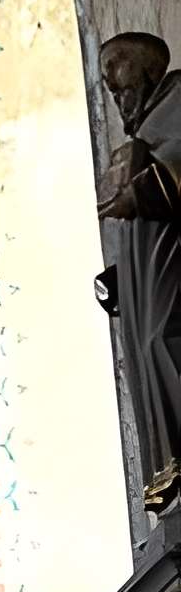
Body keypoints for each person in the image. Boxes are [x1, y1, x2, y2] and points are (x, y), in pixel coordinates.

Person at [96, 31, 181, 513]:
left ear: (150, 68)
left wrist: (141, 192)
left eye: (118, 64)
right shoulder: (141, 137)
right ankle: (168, 478)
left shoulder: (177, 99)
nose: (110, 80)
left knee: (164, 341)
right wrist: (118, 280)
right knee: (143, 357)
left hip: (171, 262)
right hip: (145, 277)